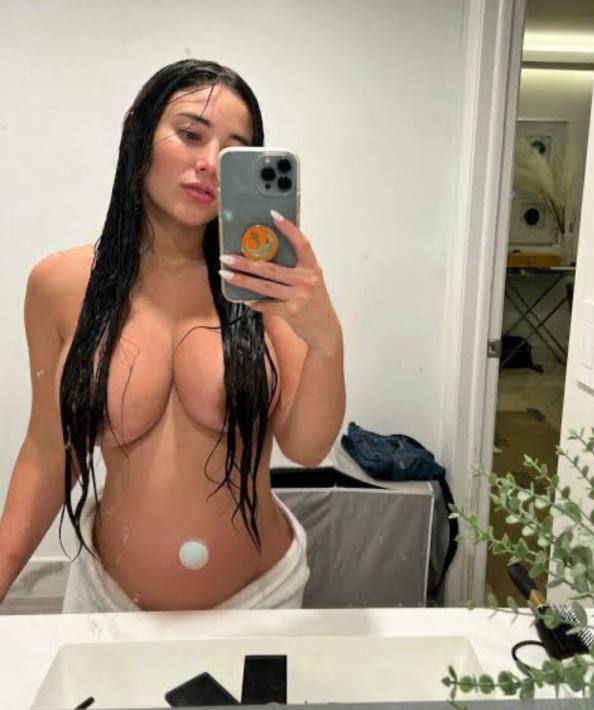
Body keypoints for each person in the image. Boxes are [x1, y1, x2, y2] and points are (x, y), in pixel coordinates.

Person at [0, 59, 345, 612]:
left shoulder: (266, 286)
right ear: (139, 136)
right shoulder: (60, 285)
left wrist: (327, 341)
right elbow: (47, 451)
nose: (209, 162)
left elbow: (307, 449)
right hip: (108, 603)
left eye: (232, 150)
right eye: (190, 135)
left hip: (260, 600)